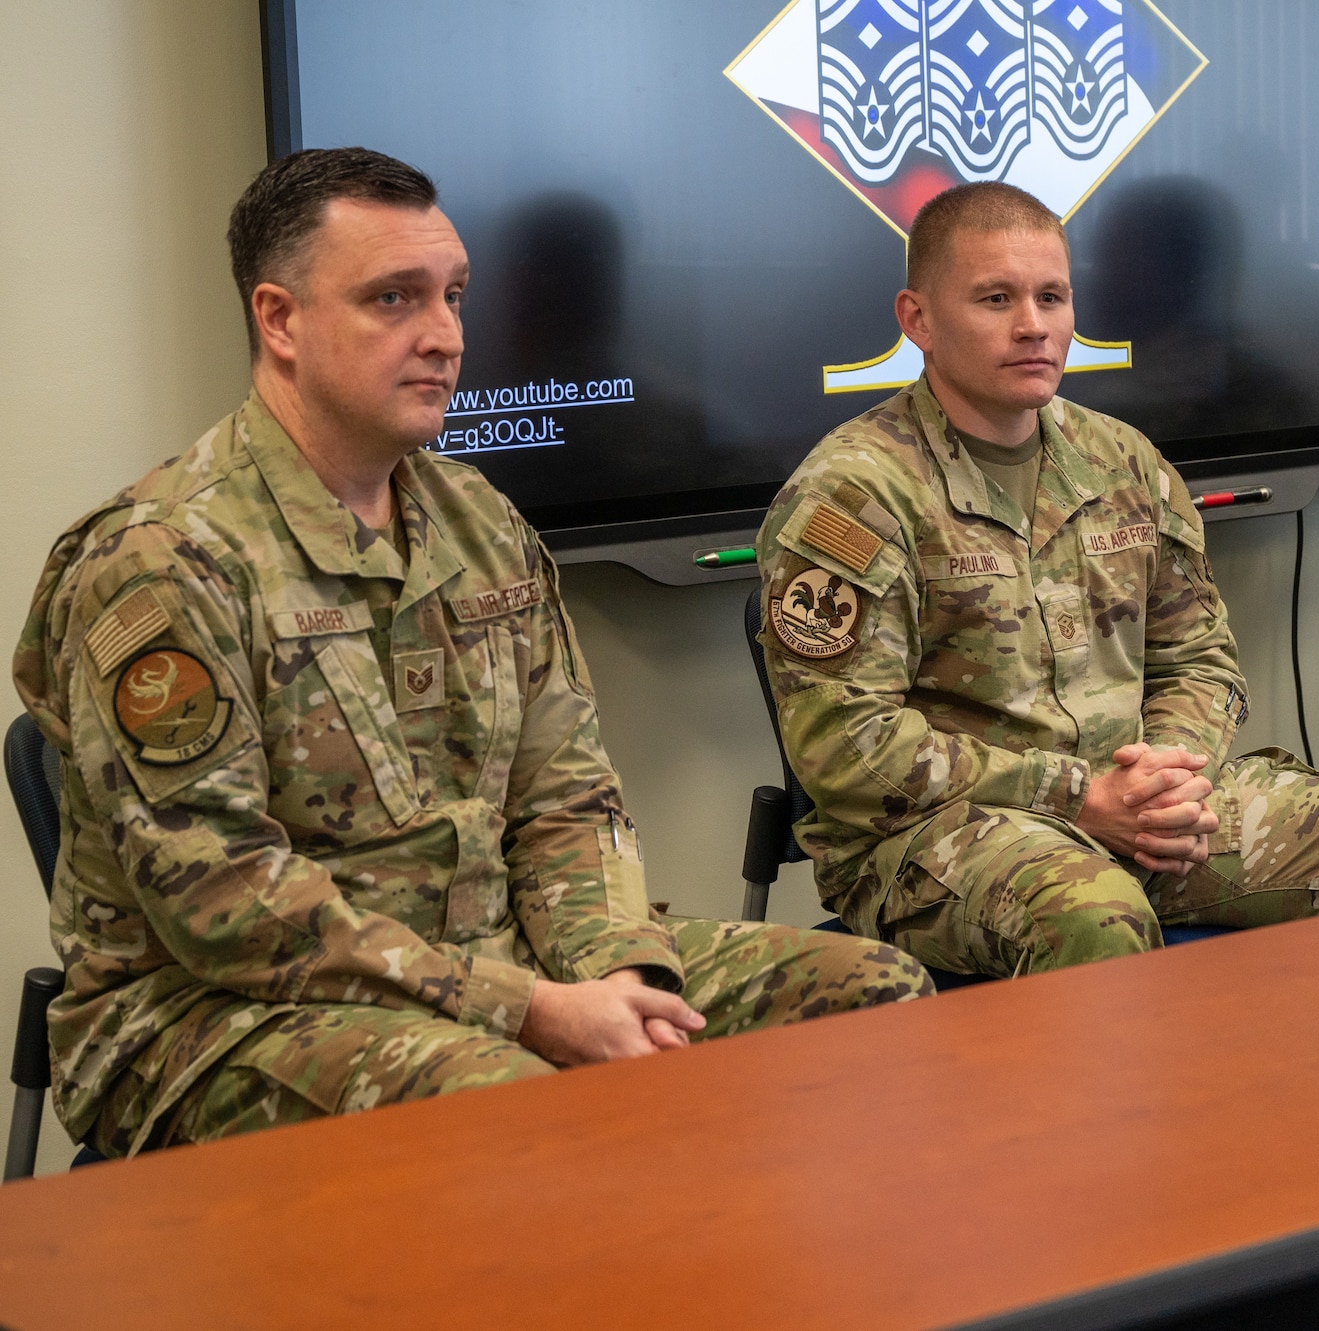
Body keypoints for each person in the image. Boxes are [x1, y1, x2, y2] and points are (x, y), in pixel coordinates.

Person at [14, 148, 931, 1159]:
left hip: (497, 958)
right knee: (512, 1101)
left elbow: (567, 798)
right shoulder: (162, 558)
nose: (445, 335)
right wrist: (527, 1009)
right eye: (393, 298)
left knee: (873, 992)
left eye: (452, 296)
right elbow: (226, 902)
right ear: (279, 320)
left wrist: (620, 974)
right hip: (213, 1019)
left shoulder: (478, 521)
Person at [756, 182, 1319, 980]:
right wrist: (1079, 797)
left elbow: (1199, 661)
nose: (1033, 325)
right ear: (919, 320)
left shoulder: (1124, 461)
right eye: (996, 299)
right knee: (1096, 918)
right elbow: (846, 746)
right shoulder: (854, 495)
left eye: (1052, 297)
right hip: (947, 837)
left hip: (1141, 805)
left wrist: (1165, 777)